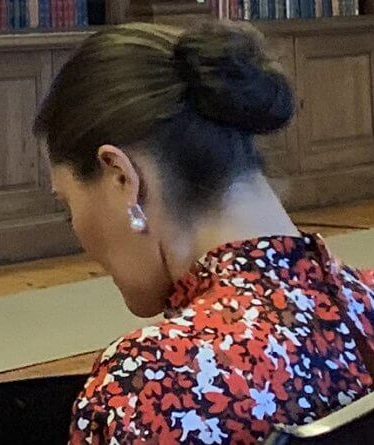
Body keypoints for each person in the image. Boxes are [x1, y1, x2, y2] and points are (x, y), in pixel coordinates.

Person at [33, 20, 374, 445]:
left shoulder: (152, 384)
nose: (76, 230)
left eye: (67, 205)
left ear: (121, 177)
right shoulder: (367, 305)